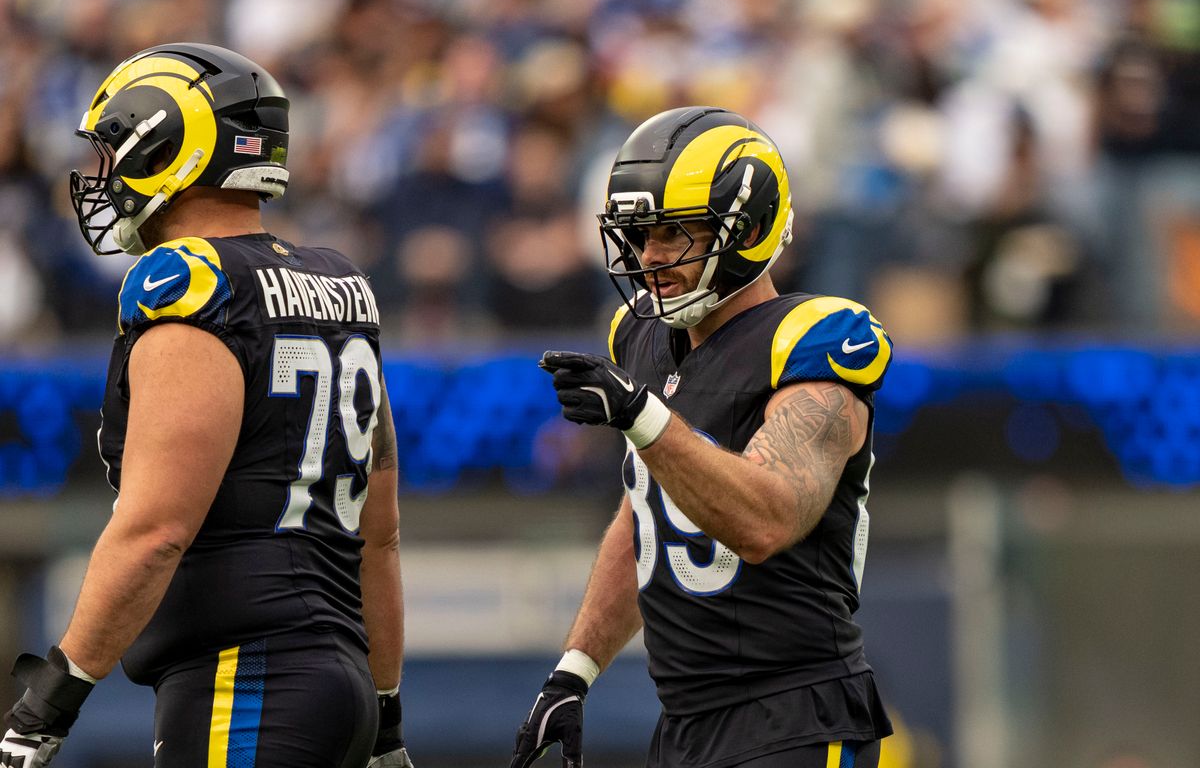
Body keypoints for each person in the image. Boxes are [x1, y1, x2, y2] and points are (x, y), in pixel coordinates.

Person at [0, 43, 413, 768]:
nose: (103, 178)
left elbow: (157, 530)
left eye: (113, 154)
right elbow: (377, 538)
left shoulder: (188, 280)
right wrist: (383, 713)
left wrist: (47, 705)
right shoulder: (340, 282)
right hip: (336, 681)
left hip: (245, 681)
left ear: (167, 148)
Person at [510, 106, 894, 768]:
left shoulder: (810, 340)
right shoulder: (641, 340)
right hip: (685, 721)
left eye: (674, 233)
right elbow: (646, 520)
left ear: (745, 229)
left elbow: (768, 517)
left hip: (796, 712)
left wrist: (642, 416)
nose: (650, 257)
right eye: (638, 234)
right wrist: (575, 670)